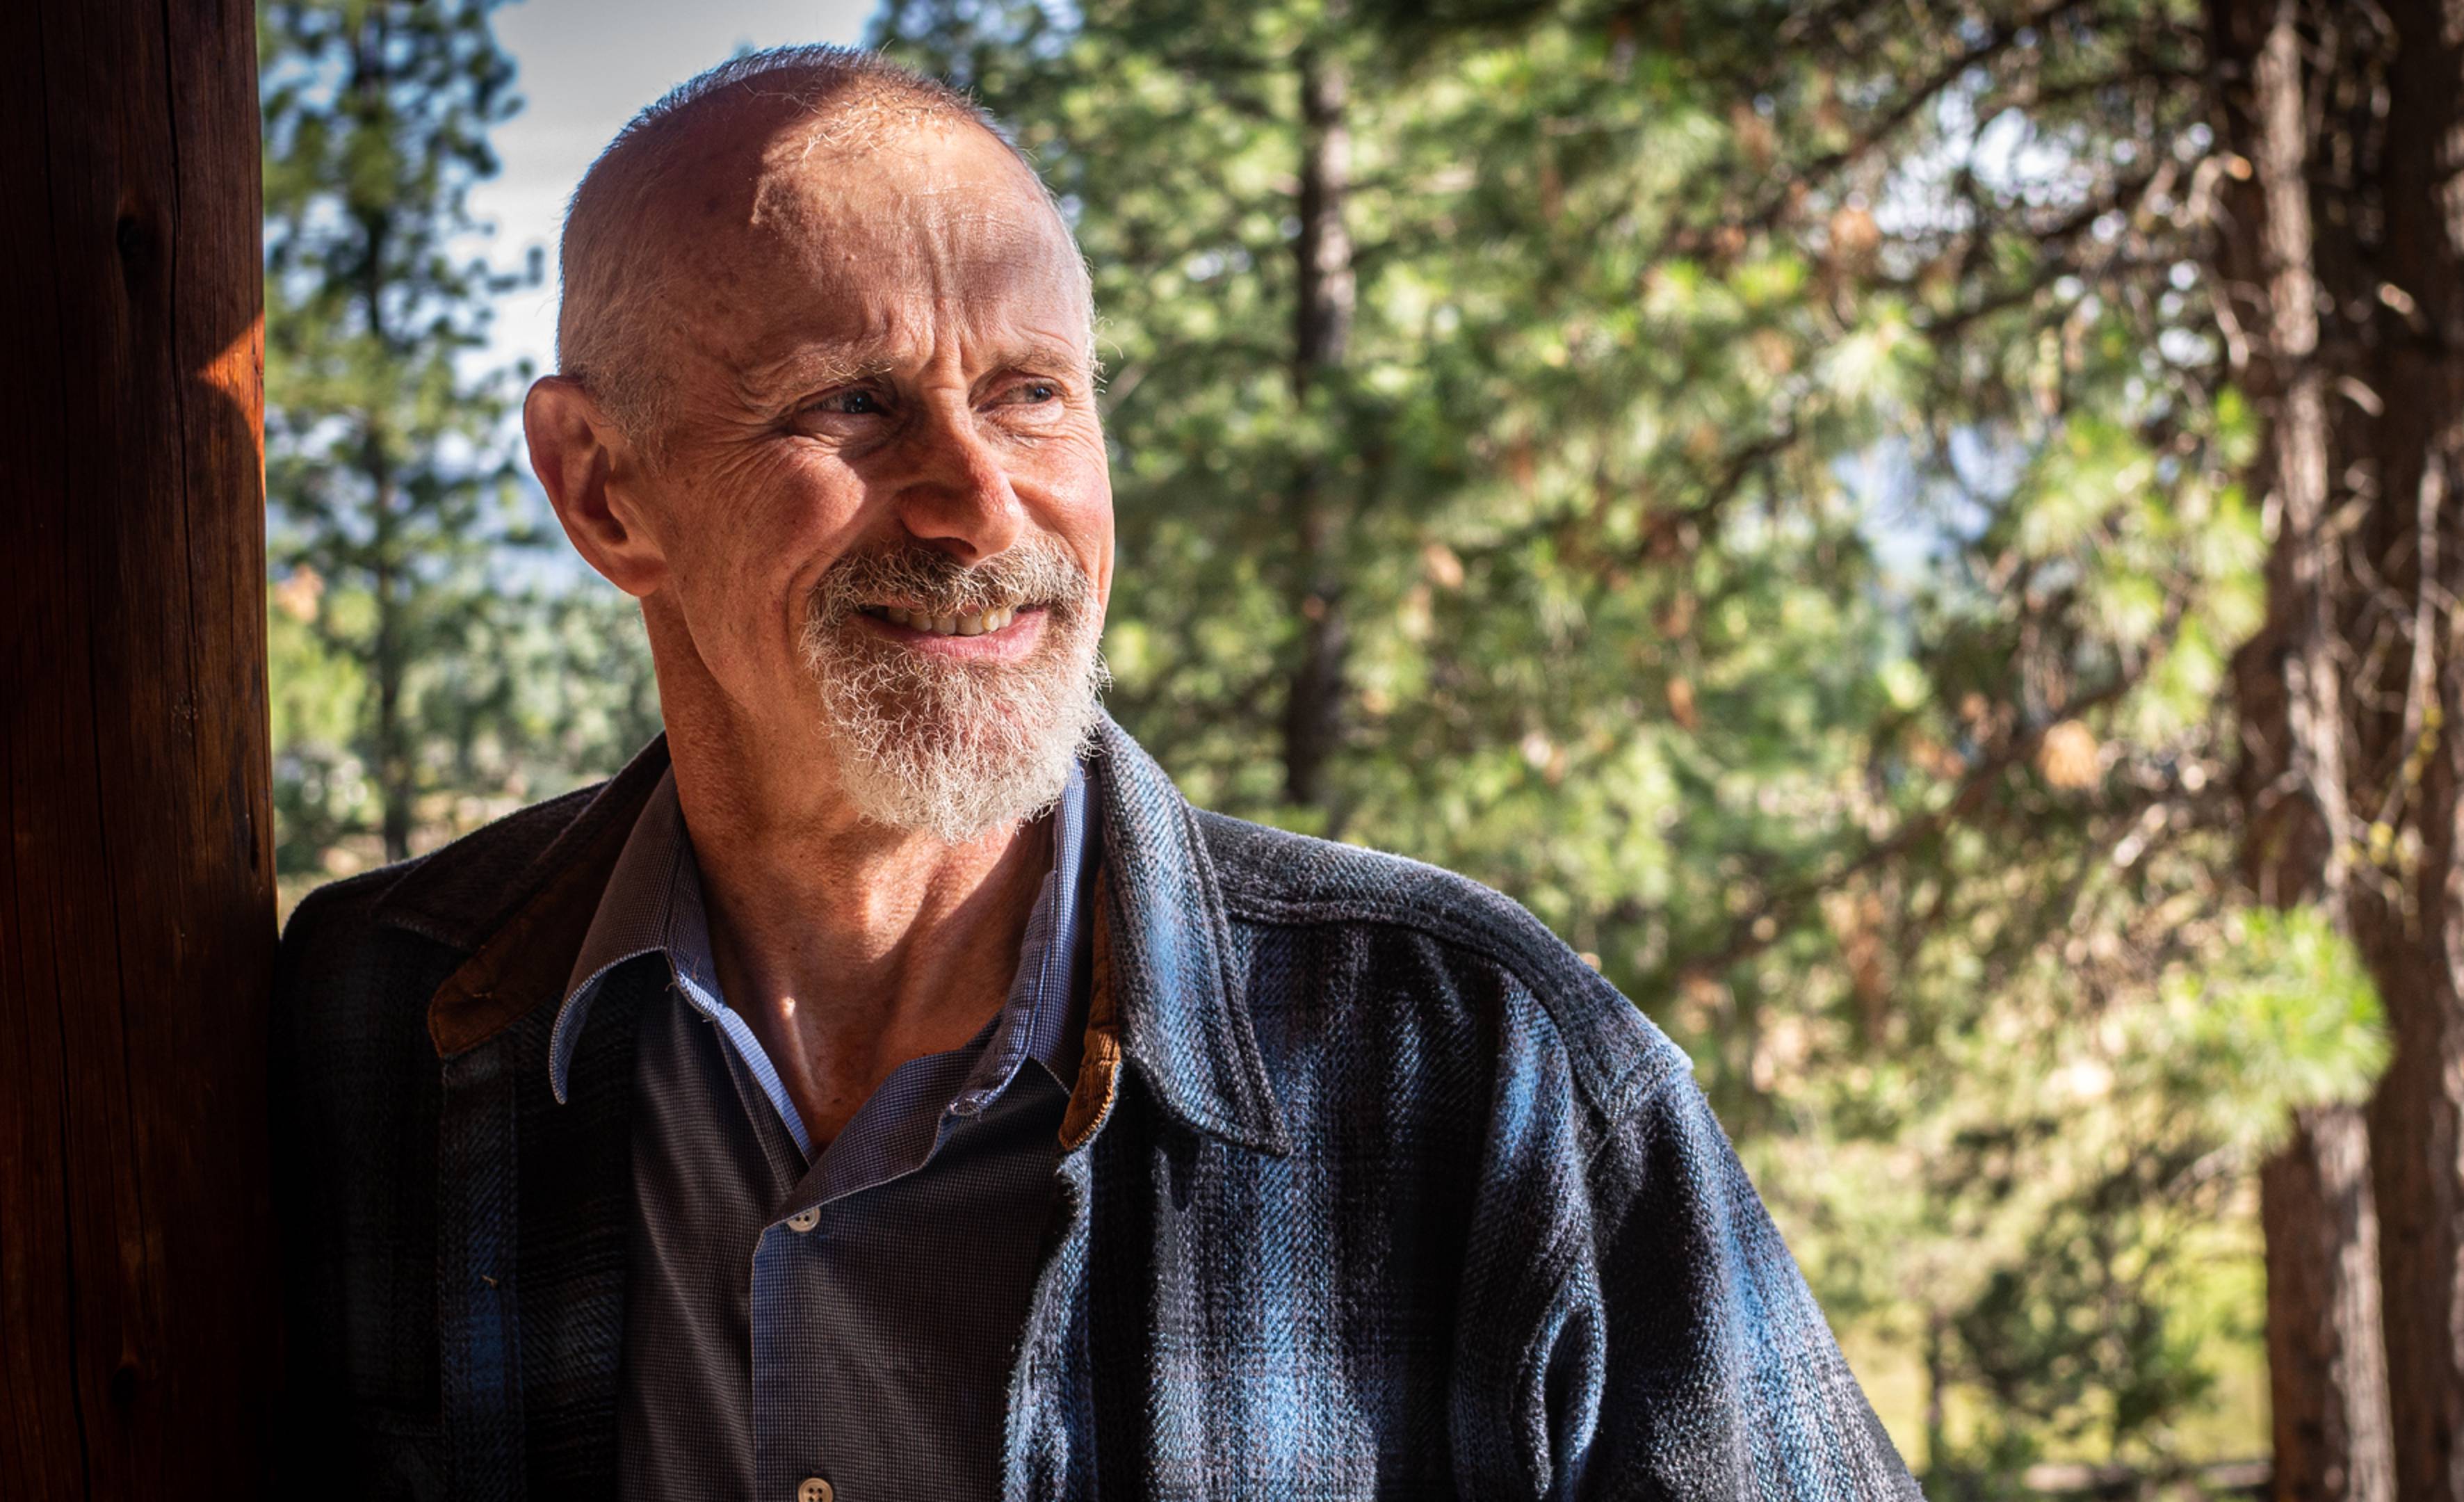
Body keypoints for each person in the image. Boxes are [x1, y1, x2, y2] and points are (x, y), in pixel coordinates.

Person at [270, 45, 1920, 1501]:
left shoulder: (1482, 1073)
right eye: (851, 406)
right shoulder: (377, 1031)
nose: (979, 506)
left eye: (1031, 395)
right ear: (601, 490)